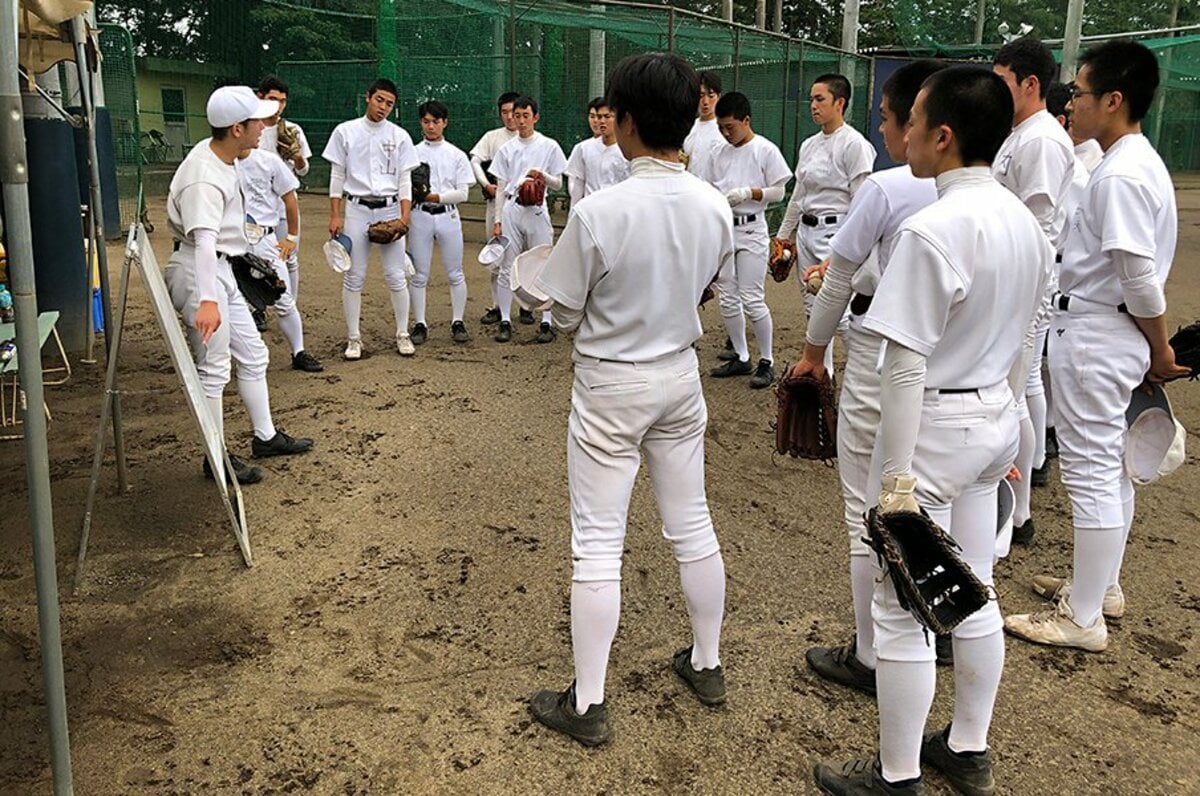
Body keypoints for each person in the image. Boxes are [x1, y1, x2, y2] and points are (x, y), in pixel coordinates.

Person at [813, 66, 1051, 795]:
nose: (904, 131)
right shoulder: (1024, 221)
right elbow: (1026, 336)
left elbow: (904, 366)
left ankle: (896, 775)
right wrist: (1009, 421)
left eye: (913, 119)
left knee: (902, 606)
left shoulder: (931, 228)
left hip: (935, 427)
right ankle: (968, 746)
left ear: (943, 136)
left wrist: (896, 484)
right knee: (975, 588)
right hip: (990, 420)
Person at [526, 50, 735, 748]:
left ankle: (589, 704)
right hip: (679, 375)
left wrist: (560, 305)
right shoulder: (713, 203)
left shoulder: (598, 210)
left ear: (629, 120)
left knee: (597, 546)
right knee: (692, 524)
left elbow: (559, 312)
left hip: (612, 381)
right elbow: (707, 285)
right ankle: (706, 663)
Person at [1005, 41, 1188, 653]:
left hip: (1099, 331)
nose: (1072, 104)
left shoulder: (1123, 174)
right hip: (1103, 327)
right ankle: (1099, 586)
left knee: (1091, 471)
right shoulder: (1125, 161)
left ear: (1114, 100)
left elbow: (1138, 275)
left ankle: (1083, 617)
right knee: (1109, 468)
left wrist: (1160, 350)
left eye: (1080, 93)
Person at [792, 60, 945, 698]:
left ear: (924, 122)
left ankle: (870, 652)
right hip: (958, 376)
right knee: (936, 509)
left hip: (887, 361)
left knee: (867, 508)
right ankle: (944, 633)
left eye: (891, 115)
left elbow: (840, 277)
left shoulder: (887, 186)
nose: (884, 127)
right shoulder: (1002, 201)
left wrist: (813, 353)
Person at [164, 86, 314, 485]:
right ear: (236, 128)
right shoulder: (205, 176)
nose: (265, 126)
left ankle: (265, 436)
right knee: (214, 369)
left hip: (221, 267)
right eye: (257, 121)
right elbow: (205, 239)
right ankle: (215, 456)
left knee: (253, 353)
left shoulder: (223, 155)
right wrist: (208, 301)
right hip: (201, 273)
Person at [991, 38, 1076, 544]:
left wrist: (1011, 287)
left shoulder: (1041, 140)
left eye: (1003, 82)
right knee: (1015, 390)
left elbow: (1039, 227)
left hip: (1025, 284)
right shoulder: (1019, 132)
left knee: (1014, 392)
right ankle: (1014, 508)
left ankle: (1017, 513)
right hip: (1014, 279)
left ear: (1030, 84)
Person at [774, 74, 876, 373]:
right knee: (811, 308)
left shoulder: (854, 144)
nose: (813, 105)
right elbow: (799, 194)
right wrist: (783, 236)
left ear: (839, 103)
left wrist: (845, 249)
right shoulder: (809, 144)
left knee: (839, 312)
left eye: (820, 99)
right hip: (806, 232)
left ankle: (866, 373)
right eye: (811, 99)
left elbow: (861, 201)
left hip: (836, 232)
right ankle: (823, 378)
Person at [323, 78, 420, 360]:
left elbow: (405, 179)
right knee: (354, 276)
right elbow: (337, 175)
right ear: (368, 97)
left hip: (389, 208)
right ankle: (354, 339)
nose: (383, 107)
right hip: (357, 208)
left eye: (389, 103)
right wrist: (334, 213)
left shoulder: (399, 135)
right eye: (379, 100)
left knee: (396, 275)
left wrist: (404, 217)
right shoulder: (346, 131)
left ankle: (402, 333)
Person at [707, 92, 792, 389]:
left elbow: (779, 191)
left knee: (752, 297)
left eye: (731, 126)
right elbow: (711, 187)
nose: (726, 133)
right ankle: (741, 355)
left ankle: (766, 360)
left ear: (746, 120)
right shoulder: (719, 152)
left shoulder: (764, 149)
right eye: (721, 127)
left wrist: (749, 193)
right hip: (726, 228)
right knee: (728, 296)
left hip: (752, 227)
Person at [235, 145, 323, 372]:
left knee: (283, 297)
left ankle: (299, 352)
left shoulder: (268, 160)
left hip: (264, 238)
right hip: (232, 239)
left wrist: (291, 237)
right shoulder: (218, 160)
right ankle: (227, 358)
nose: (258, 130)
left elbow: (290, 198)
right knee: (231, 299)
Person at [489, 96, 568, 344]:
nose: (520, 120)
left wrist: (542, 174)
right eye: (516, 115)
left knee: (543, 264)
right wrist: (498, 219)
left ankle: (546, 322)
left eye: (525, 115)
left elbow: (558, 183)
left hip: (536, 208)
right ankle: (505, 320)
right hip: (513, 206)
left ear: (536, 117)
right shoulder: (507, 149)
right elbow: (501, 187)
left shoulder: (549, 146)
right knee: (506, 265)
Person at [408, 100, 474, 345]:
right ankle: (420, 323)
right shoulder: (412, 152)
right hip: (420, 215)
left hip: (447, 214)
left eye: (436, 121)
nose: (431, 126)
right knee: (419, 274)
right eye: (426, 121)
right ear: (421, 123)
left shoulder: (456, 154)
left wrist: (437, 196)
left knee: (455, 272)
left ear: (444, 123)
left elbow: (463, 193)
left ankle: (458, 321)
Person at [256, 75, 312, 313]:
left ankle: (290, 305)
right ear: (260, 98)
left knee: (288, 258)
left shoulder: (292, 129)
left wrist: (296, 154)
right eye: (272, 99)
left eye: (282, 100)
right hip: (254, 207)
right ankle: (256, 308)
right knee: (254, 260)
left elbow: (304, 170)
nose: (278, 105)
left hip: (283, 206)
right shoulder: (251, 127)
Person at [470, 92, 525, 326]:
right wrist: (486, 184)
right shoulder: (493, 137)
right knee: (496, 255)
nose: (510, 117)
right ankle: (496, 305)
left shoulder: (532, 140)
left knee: (523, 258)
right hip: (497, 203)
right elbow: (474, 159)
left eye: (514, 112)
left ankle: (526, 306)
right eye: (504, 112)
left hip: (524, 205)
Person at [565, 97, 629, 210]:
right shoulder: (583, 148)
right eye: (599, 117)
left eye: (607, 117)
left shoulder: (627, 149)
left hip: (617, 211)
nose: (602, 121)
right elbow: (577, 186)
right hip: (590, 211)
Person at [682, 71, 725, 183]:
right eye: (701, 96)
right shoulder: (690, 127)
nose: (705, 102)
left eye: (711, 96)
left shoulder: (724, 130)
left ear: (718, 97)